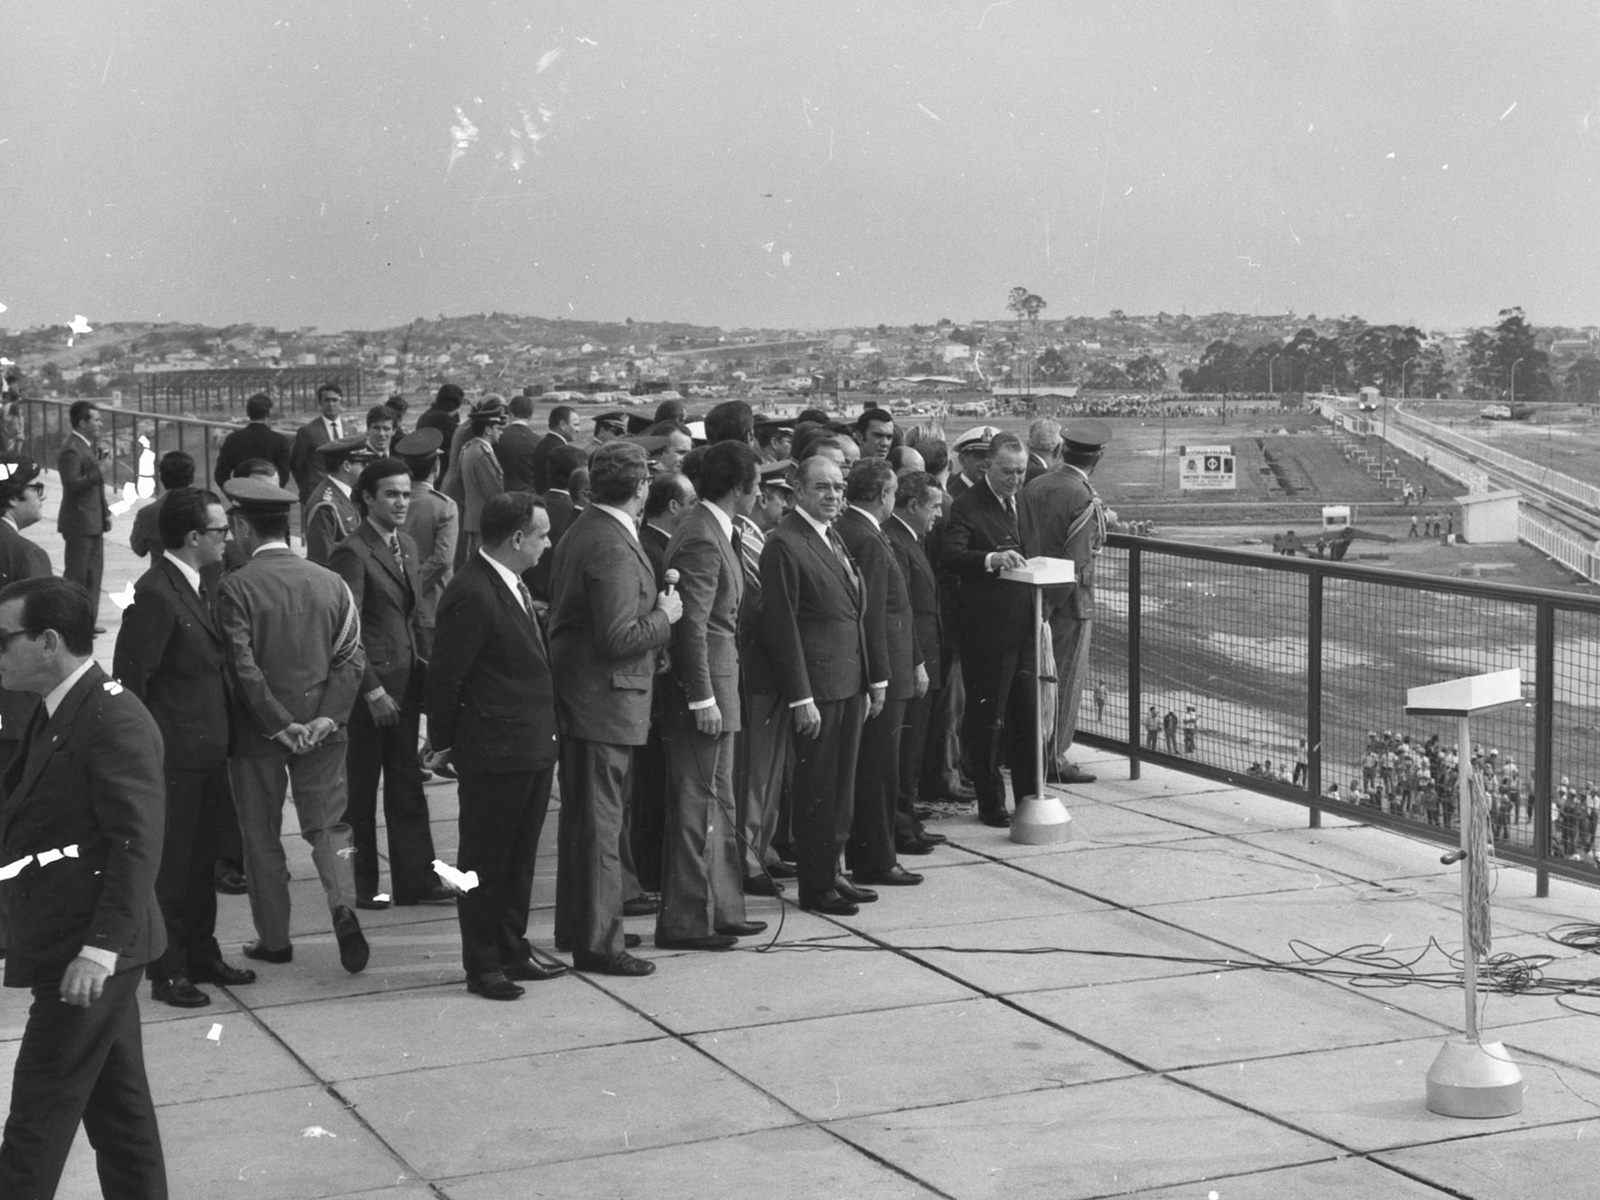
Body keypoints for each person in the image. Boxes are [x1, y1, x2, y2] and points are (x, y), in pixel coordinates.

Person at [0, 577, 167, 1199]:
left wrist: (98, 950)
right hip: (72, 946)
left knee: (37, 1120)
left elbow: (136, 843)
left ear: (47, 642)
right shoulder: (59, 709)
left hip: (89, 956)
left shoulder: (111, 716)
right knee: (120, 1118)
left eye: (2, 638)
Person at [215, 478, 369, 974]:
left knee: (259, 835)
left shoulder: (234, 586)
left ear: (240, 525)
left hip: (258, 734)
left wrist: (279, 725)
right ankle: (343, 905)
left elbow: (242, 668)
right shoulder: (331, 582)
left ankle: (275, 939)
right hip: (326, 727)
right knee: (330, 825)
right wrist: (326, 715)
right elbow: (351, 655)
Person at [113, 487, 256, 1010]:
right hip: (173, 760)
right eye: (221, 530)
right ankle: (168, 970)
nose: (229, 538)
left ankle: (201, 953)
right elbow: (131, 683)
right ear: (194, 537)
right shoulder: (156, 594)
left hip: (206, 755)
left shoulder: (196, 585)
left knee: (200, 864)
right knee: (172, 871)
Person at [426, 492, 567, 999]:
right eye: (542, 534)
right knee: (484, 862)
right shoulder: (472, 591)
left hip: (528, 745)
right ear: (516, 539)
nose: (547, 544)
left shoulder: (510, 585)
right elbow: (446, 677)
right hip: (495, 750)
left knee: (519, 858)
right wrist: (441, 744)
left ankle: (512, 948)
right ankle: (482, 964)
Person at [549, 441, 681, 976]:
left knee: (587, 824)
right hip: (603, 702)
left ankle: (580, 926)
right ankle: (600, 944)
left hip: (591, 698)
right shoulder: (610, 542)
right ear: (642, 488)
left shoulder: (587, 529)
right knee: (601, 827)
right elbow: (617, 634)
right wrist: (665, 618)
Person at [327, 458, 453, 910]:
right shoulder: (352, 551)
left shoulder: (407, 545)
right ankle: (360, 887)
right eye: (391, 495)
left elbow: (410, 617)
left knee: (406, 788)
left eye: (405, 493)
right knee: (358, 795)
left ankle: (417, 881)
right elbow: (345, 631)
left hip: (403, 688)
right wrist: (372, 689)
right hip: (369, 696)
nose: (401, 502)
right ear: (366, 499)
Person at [656, 441, 765, 950]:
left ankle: (723, 908)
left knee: (718, 800)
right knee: (698, 803)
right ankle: (687, 921)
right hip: (708, 691)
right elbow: (692, 626)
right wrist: (702, 697)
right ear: (740, 488)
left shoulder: (716, 529)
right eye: (756, 482)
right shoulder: (702, 536)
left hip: (723, 685)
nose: (760, 490)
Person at [759, 454, 872, 914]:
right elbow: (782, 627)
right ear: (797, 490)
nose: (833, 496)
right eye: (823, 488)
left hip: (847, 682)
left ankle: (833, 872)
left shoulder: (831, 537)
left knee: (840, 788)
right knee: (816, 790)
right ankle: (816, 884)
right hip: (818, 689)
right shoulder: (785, 544)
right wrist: (802, 696)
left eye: (839, 488)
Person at [937, 432, 1039, 828]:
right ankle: (991, 802)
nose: (1015, 478)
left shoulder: (1023, 500)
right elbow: (951, 554)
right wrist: (992, 558)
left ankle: (1030, 795)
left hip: (1025, 626)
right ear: (987, 466)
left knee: (1025, 717)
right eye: (1007, 471)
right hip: (988, 631)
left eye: (1020, 470)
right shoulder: (967, 505)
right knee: (988, 721)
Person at [838, 458, 924, 887]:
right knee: (879, 770)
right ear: (882, 494)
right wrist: (881, 678)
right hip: (884, 669)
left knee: (878, 767)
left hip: (885, 666)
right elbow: (872, 615)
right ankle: (877, 858)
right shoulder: (869, 538)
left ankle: (875, 853)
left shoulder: (861, 531)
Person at [1021, 418, 1110, 786]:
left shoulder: (1036, 484)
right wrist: (1056, 603)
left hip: (1032, 592)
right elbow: (1078, 559)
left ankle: (1033, 751)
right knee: (1065, 681)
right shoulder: (1082, 495)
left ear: (1062, 450)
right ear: (1098, 457)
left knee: (1037, 678)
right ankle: (1054, 755)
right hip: (1069, 603)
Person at [735, 461, 797, 894]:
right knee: (754, 771)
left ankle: (763, 847)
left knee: (771, 768)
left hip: (773, 673)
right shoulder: (744, 540)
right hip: (756, 669)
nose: (783, 505)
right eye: (779, 496)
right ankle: (747, 857)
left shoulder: (761, 539)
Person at [885, 470, 948, 855]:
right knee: (905, 749)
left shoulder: (910, 539)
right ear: (912, 506)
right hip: (913, 663)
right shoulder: (896, 541)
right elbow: (902, 611)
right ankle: (900, 824)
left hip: (923, 660)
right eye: (933, 507)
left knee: (914, 747)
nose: (938, 516)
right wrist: (917, 661)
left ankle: (908, 818)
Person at [0, 455, 52, 777]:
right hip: (14, 711)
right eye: (37, 487)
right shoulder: (27, 555)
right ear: (14, 496)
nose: (42, 495)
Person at [57, 399, 111, 614]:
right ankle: (71, 619)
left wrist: (104, 513)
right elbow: (72, 483)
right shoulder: (72, 449)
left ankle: (87, 620)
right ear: (82, 422)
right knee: (77, 575)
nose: (100, 424)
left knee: (93, 574)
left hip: (92, 520)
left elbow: (94, 488)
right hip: (80, 522)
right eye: (96, 420)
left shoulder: (85, 446)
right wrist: (100, 471)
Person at [446, 396, 508, 565]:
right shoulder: (481, 454)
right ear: (487, 430)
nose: (501, 431)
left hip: (476, 517)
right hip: (484, 518)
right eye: (498, 427)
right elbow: (493, 492)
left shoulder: (471, 448)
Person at [302, 436, 369, 565]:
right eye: (363, 464)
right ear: (346, 466)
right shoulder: (325, 505)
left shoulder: (346, 494)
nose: (367, 468)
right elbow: (322, 559)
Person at [214, 392, 292, 487]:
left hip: (242, 495)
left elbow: (220, 475)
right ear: (268, 414)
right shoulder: (280, 441)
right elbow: (284, 475)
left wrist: (233, 494)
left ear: (248, 413)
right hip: (271, 496)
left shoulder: (232, 439)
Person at [289, 382, 347, 505]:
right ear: (320, 403)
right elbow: (297, 464)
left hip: (345, 494)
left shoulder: (351, 429)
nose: (331, 404)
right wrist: (307, 488)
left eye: (334, 400)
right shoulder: (308, 431)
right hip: (316, 494)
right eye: (326, 400)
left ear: (340, 402)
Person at [496, 393, 544, 492]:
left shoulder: (498, 437)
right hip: (530, 496)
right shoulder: (539, 441)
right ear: (530, 416)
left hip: (504, 495)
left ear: (510, 413)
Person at [529, 404, 577, 494]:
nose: (578, 429)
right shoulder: (562, 450)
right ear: (563, 425)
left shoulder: (542, 444)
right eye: (576, 425)